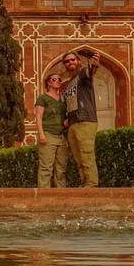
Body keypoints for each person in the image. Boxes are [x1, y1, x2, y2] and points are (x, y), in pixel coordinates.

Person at [62, 50, 101, 187]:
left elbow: (90, 71)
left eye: (72, 60)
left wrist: (94, 65)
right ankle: (84, 183)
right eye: (67, 61)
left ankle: (91, 184)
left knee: (86, 154)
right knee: (79, 158)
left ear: (78, 62)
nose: (70, 62)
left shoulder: (82, 74)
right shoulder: (69, 83)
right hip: (73, 122)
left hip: (85, 120)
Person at [34, 72, 69, 188]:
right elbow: (38, 116)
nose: (58, 81)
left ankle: (61, 196)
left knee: (61, 169)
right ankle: (44, 197)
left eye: (59, 79)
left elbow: (65, 115)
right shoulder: (43, 98)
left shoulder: (63, 99)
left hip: (62, 136)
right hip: (48, 134)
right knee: (46, 168)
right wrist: (41, 135)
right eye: (54, 79)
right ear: (48, 83)